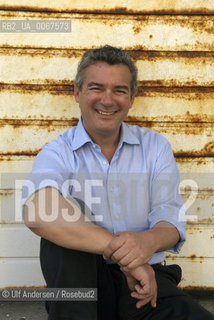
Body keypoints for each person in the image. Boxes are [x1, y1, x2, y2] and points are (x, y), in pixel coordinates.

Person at [22, 45, 214, 320]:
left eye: (120, 90)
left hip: (147, 283)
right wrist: (128, 258)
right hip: (84, 286)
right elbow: (38, 211)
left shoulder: (155, 147)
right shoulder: (57, 152)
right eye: (96, 88)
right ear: (77, 93)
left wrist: (144, 245)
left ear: (132, 97)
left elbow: (170, 220)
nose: (108, 100)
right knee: (62, 210)